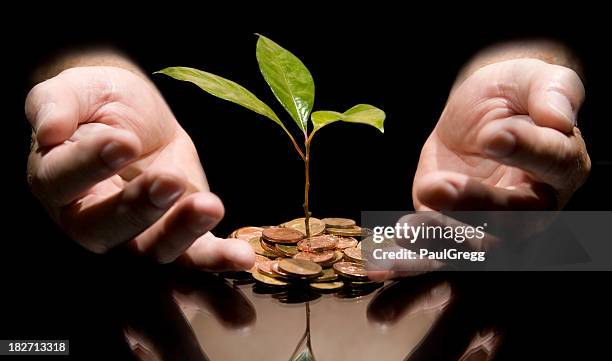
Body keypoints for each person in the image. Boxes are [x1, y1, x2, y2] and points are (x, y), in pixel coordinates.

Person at [24, 42, 590, 272]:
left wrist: (529, 75)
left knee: (574, 250)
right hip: (112, 272)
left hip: (507, 271)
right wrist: (79, 78)